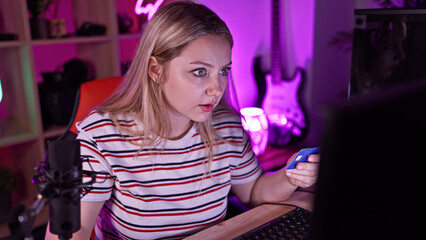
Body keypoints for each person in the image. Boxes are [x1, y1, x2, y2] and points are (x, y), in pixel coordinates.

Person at [45, 1, 319, 239]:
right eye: (200, 71)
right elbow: (73, 229)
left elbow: (253, 191)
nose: (217, 88)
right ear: (156, 70)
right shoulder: (103, 135)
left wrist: (291, 176)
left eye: (223, 71)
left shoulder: (227, 126)